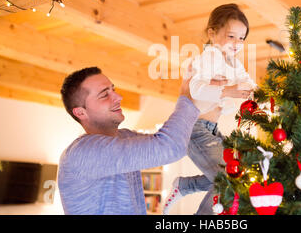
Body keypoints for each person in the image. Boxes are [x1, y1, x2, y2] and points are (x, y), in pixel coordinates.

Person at [57, 66, 200, 214]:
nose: (118, 97)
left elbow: (182, 140)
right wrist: (187, 96)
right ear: (81, 112)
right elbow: (170, 147)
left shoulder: (125, 137)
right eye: (104, 95)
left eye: (113, 90)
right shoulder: (81, 153)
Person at [163, 3, 256, 215]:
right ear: (212, 33)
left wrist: (265, 94)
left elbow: (248, 82)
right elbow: (196, 89)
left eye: (242, 38)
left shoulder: (233, 63)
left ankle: (185, 186)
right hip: (195, 129)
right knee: (228, 179)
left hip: (211, 129)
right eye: (231, 36)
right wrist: (227, 90)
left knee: (237, 173)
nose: (237, 43)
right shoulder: (207, 57)